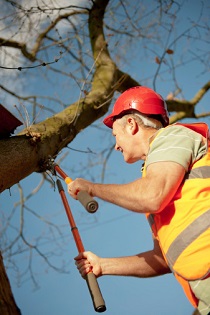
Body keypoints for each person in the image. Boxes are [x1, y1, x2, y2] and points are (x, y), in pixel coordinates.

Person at [68, 86, 210, 315]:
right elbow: (161, 259)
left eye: (116, 135)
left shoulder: (172, 136)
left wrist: (93, 188)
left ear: (132, 125)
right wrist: (103, 265)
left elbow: (152, 195)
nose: (116, 145)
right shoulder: (158, 179)